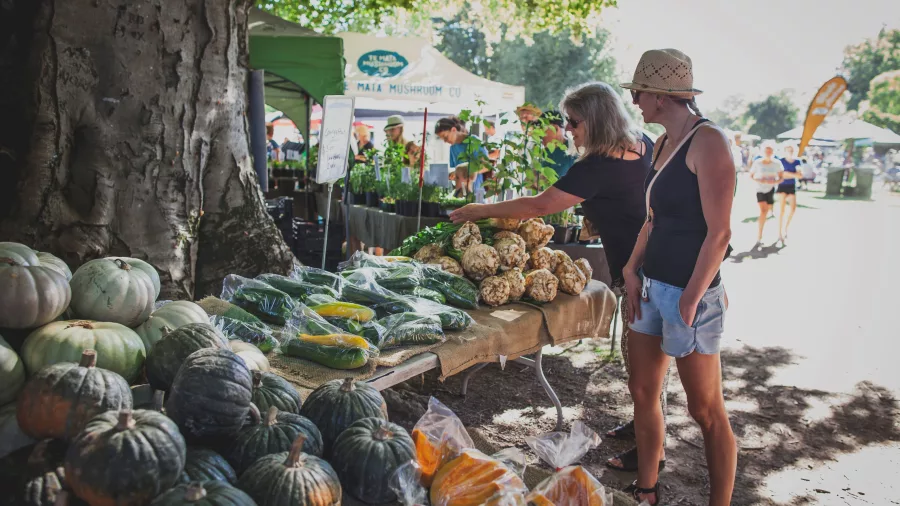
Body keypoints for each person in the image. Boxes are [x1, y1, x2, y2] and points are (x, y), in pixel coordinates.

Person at [620, 48, 736, 506]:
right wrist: (631, 268)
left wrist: (689, 300)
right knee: (643, 390)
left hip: (691, 296)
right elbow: (654, 219)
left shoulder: (709, 142)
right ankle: (646, 489)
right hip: (650, 287)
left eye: (639, 94)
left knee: (705, 411)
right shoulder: (665, 142)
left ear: (661, 96)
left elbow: (721, 232)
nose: (636, 103)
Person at [435, 117, 490, 197]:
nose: (445, 141)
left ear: (453, 130)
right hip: (461, 192)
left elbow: (486, 166)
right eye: (442, 139)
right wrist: (454, 175)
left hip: (476, 191)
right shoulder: (453, 148)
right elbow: (457, 170)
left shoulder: (473, 141)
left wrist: (466, 172)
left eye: (445, 137)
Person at [749, 141, 783, 248]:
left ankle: (767, 233)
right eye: (766, 151)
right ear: (763, 151)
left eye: (770, 151)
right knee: (763, 211)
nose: (768, 153)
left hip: (771, 190)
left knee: (767, 211)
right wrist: (760, 180)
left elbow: (781, 178)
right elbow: (751, 175)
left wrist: (774, 182)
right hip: (760, 189)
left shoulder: (777, 163)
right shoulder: (757, 162)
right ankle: (759, 237)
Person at [536, 110, 577, 178]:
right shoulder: (544, 153)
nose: (540, 137)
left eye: (543, 132)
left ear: (555, 128)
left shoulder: (574, 150)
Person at [776, 144, 801, 244]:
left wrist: (787, 174)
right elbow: (780, 174)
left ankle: (786, 228)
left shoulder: (797, 161)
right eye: (788, 150)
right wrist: (792, 174)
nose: (790, 152)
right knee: (781, 211)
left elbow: (800, 175)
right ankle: (779, 233)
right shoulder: (781, 161)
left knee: (792, 209)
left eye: (792, 150)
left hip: (792, 187)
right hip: (782, 186)